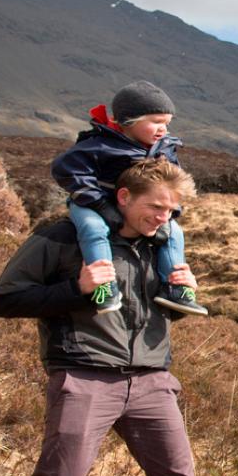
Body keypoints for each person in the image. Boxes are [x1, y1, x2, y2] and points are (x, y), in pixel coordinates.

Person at [0, 158, 238, 476]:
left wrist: (182, 293)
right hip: (85, 373)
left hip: (151, 380)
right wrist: (77, 289)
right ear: (124, 197)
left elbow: (147, 316)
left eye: (171, 210)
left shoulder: (162, 244)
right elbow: (4, 300)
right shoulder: (65, 237)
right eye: (155, 207)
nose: (162, 218)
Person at [52, 80, 207, 316]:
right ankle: (103, 287)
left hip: (138, 209)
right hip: (91, 204)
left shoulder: (165, 148)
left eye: (167, 123)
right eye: (156, 122)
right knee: (94, 229)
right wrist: (100, 204)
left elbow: (174, 184)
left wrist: (171, 213)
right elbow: (66, 169)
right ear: (128, 120)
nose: (163, 129)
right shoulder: (99, 144)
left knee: (175, 232)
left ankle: (175, 288)